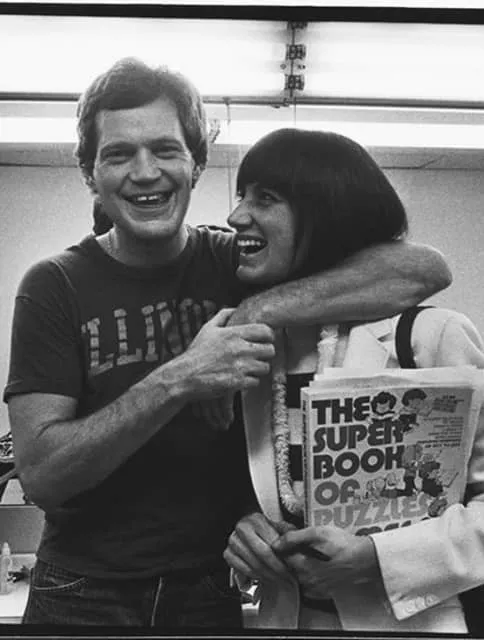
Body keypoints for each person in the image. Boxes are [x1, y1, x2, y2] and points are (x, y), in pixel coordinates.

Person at [3, 58, 451, 628]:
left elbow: (421, 270)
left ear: (196, 163)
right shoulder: (53, 285)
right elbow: (43, 477)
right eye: (118, 154)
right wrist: (180, 378)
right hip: (80, 591)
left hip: (208, 586)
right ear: (90, 173)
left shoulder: (236, 265)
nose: (145, 172)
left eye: (165, 150)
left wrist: (253, 309)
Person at [222, 128, 484, 632]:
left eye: (266, 198)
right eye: (242, 196)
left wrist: (379, 559)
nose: (237, 216)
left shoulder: (428, 336)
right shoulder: (254, 353)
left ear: (325, 213)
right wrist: (244, 533)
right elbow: (258, 493)